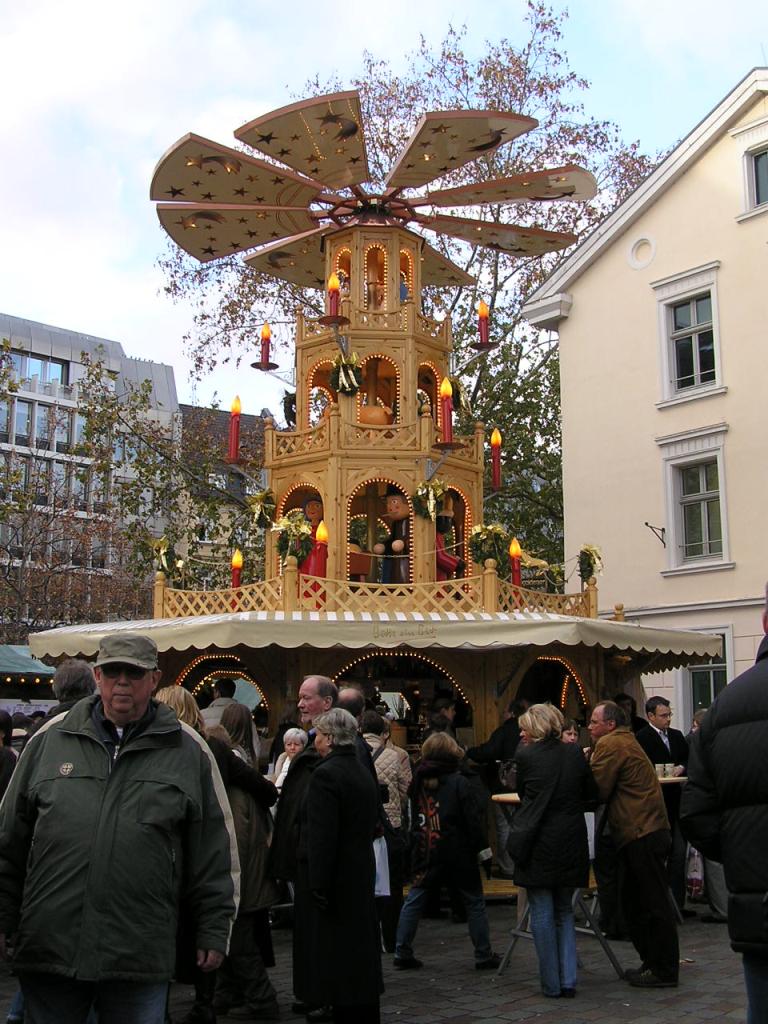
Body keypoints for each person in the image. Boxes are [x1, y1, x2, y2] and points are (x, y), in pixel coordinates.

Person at [0, 634, 238, 1024]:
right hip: (52, 945)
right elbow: (9, 836)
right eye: (113, 672)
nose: (122, 681)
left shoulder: (187, 749)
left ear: (154, 679)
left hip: (138, 950)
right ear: (97, 676)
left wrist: (214, 929)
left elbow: (214, 849)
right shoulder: (51, 738)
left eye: (134, 672)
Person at [155, 685, 278, 1024]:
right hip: (210, 847)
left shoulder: (170, 748)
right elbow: (261, 787)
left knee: (178, 927)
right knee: (212, 926)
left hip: (177, 851)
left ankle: (203, 1000)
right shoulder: (211, 748)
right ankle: (212, 998)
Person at [680, 591, 768, 1024]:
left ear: (765, 622)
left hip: (759, 901)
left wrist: (742, 853)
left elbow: (697, 813)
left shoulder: (722, 707)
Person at [297, 708, 382, 1023]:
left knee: (339, 958)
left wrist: (317, 883)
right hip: (359, 871)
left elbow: (322, 836)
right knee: (359, 955)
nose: (315, 741)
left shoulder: (326, 775)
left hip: (336, 878)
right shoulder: (359, 769)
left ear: (330, 739)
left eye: (319, 735)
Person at [588, 700, 679, 988]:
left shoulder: (611, 743)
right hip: (645, 829)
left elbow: (597, 789)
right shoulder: (626, 740)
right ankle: (653, 962)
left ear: (610, 724)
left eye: (594, 722)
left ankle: (663, 968)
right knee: (636, 900)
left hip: (641, 831)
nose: (589, 727)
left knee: (649, 901)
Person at [394, 732, 499, 972]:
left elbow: (410, 816)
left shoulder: (418, 781)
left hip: (427, 848)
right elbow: (472, 821)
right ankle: (483, 954)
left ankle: (402, 950)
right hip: (458, 851)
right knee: (474, 902)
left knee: (415, 899)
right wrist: (484, 852)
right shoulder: (459, 782)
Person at [509, 703, 595, 998]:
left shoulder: (526, 755)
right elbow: (590, 792)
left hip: (538, 838)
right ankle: (568, 979)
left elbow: (523, 792)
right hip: (570, 836)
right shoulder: (574, 753)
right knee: (564, 910)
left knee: (542, 911)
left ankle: (551, 982)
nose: (521, 733)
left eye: (524, 728)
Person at [362, 710, 412, 953]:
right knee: (391, 884)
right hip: (391, 825)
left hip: (366, 825)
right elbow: (404, 791)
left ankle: (369, 935)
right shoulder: (394, 756)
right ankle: (391, 937)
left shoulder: (355, 753)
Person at [635, 695, 690, 913]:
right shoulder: (642, 737)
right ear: (651, 716)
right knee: (659, 854)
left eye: (669, 715)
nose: (667, 719)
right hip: (655, 803)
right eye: (663, 715)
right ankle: (660, 904)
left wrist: (681, 767)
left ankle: (677, 903)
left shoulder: (676, 736)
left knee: (679, 854)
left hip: (676, 801)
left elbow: (687, 758)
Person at [466, 697, 529, 879]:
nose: (502, 715)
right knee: (523, 825)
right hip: (527, 788)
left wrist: (468, 752)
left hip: (504, 788)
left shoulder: (504, 730)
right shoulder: (532, 731)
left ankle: (508, 868)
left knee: (505, 826)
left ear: (511, 713)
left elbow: (488, 752)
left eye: (504, 711)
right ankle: (522, 865)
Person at [270, 727, 308, 793]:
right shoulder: (282, 759)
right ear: (284, 746)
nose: (292, 747)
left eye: (296, 744)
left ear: (304, 746)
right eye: (289, 744)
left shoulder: (305, 763)